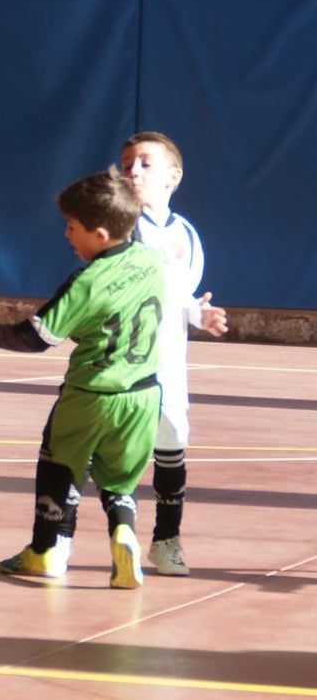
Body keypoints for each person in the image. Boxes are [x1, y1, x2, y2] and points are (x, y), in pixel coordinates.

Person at [0, 167, 166, 589]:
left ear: (100, 234)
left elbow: (32, 339)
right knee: (120, 476)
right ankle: (122, 530)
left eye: (72, 226)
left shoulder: (86, 282)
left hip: (91, 395)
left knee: (58, 463)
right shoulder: (149, 259)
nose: (66, 235)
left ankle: (47, 551)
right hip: (143, 396)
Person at [120, 131, 228, 576]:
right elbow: (140, 286)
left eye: (145, 163)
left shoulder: (185, 233)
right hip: (121, 360)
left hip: (168, 362)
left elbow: (179, 293)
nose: (132, 170)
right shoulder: (119, 227)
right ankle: (61, 537)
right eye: (126, 163)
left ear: (173, 177)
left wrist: (198, 314)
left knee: (171, 445)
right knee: (110, 451)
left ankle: (166, 541)